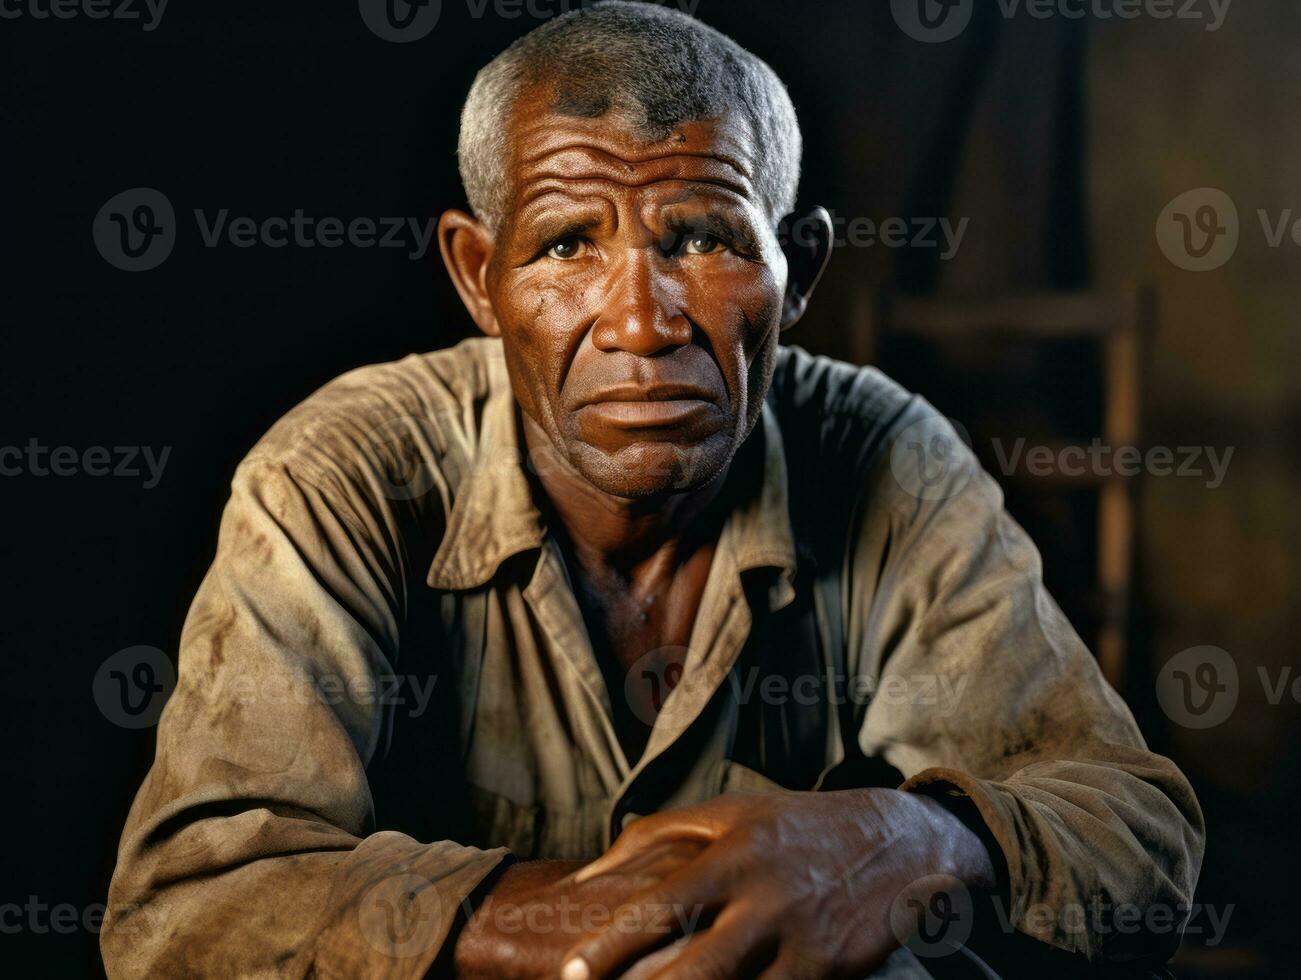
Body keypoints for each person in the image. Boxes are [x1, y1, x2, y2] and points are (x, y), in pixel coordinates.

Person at [102, 3, 1203, 977]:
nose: (640, 321)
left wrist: (899, 841)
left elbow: (1134, 830)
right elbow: (184, 908)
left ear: (798, 275)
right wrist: (609, 923)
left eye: (703, 238)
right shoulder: (339, 475)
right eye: (567, 244)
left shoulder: (881, 456)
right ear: (476, 277)